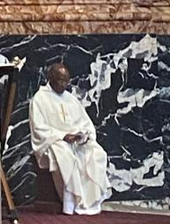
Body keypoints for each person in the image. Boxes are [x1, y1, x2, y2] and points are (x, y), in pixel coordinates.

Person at [29, 62, 111, 215]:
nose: (63, 84)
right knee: (64, 153)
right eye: (60, 81)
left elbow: (85, 123)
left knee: (96, 152)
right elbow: (39, 128)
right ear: (51, 78)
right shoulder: (40, 98)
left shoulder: (71, 99)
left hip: (75, 142)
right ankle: (71, 202)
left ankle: (92, 201)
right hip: (53, 142)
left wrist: (82, 135)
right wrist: (62, 136)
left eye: (66, 81)